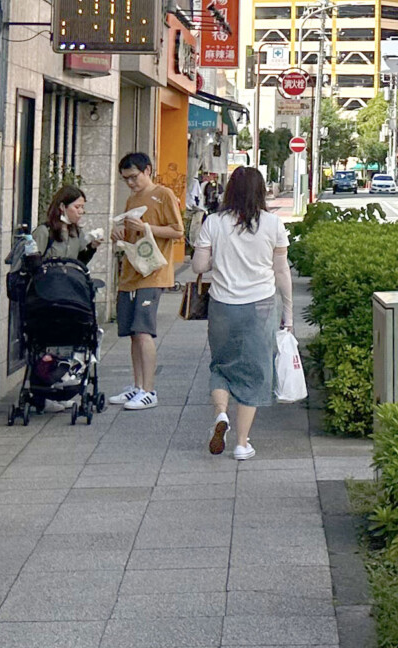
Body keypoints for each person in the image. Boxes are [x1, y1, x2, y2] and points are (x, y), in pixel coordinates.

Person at [191, 165, 293, 460]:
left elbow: (198, 266)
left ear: (230, 190)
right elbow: (281, 271)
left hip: (222, 306)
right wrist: (288, 313)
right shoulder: (273, 224)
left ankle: (221, 414)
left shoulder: (213, 222)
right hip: (260, 306)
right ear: (261, 192)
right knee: (254, 371)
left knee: (221, 365)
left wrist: (219, 258)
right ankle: (242, 443)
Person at [109, 151, 183, 411]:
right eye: (126, 179)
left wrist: (146, 228)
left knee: (143, 331)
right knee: (132, 333)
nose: (130, 183)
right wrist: (118, 233)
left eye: (134, 177)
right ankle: (138, 385)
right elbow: (131, 235)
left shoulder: (163, 194)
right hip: (131, 272)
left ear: (147, 170)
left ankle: (149, 390)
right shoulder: (132, 200)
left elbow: (177, 230)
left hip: (153, 273)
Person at [36, 186, 100, 264]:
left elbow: (80, 262)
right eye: (77, 207)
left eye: (82, 207)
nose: (81, 211)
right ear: (62, 207)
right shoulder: (44, 231)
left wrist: (92, 247)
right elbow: (32, 263)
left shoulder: (77, 232)